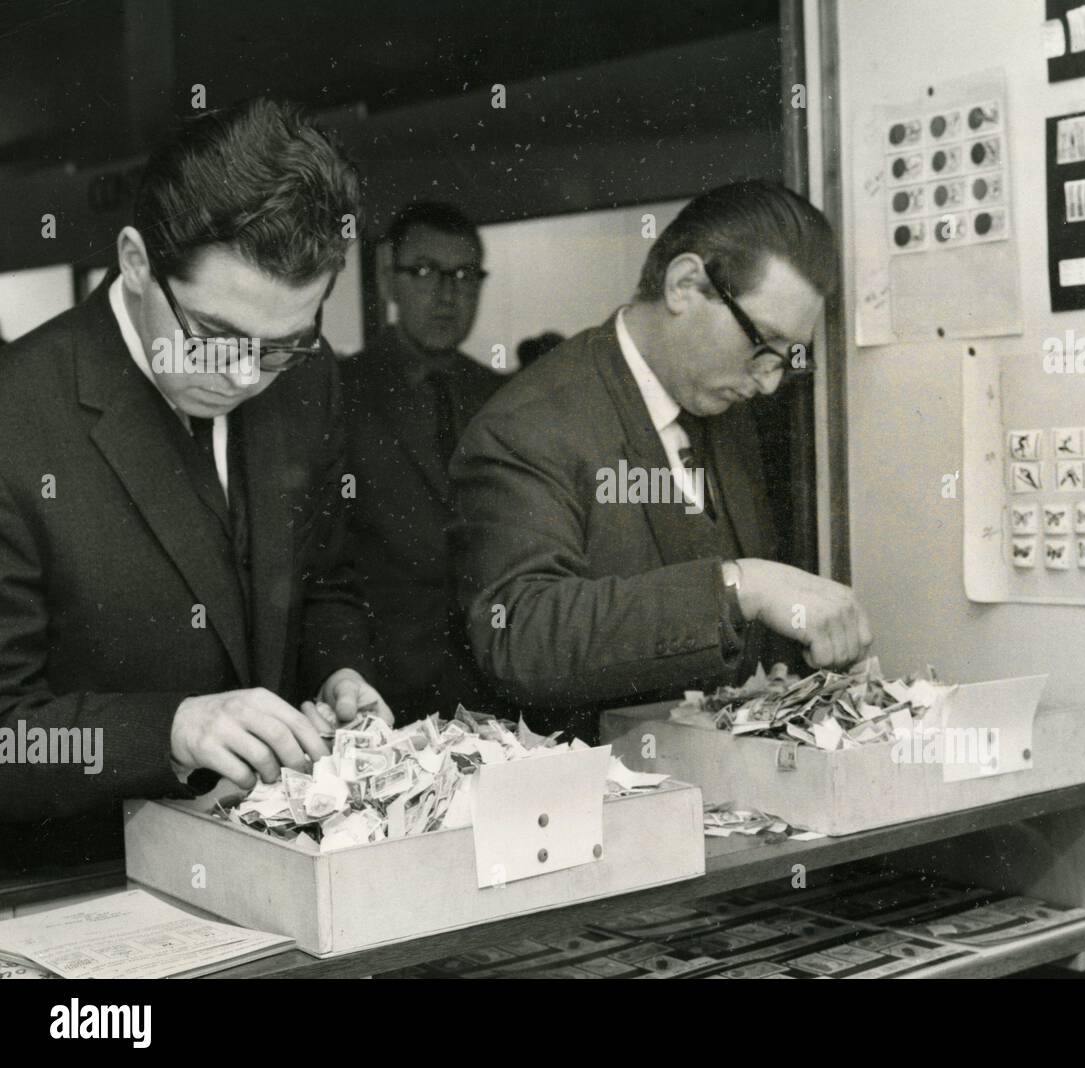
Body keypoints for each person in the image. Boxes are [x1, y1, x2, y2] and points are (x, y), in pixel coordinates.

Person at [0, 98, 389, 871]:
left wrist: (341, 678)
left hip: (282, 871)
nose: (246, 375)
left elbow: (324, 583)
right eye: (214, 338)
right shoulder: (18, 419)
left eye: (284, 343)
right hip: (80, 886)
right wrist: (173, 730)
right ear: (137, 261)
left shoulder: (308, 386)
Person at [452, 179, 871, 738]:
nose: (770, 382)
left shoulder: (728, 406)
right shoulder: (527, 426)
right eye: (761, 344)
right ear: (684, 284)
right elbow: (520, 635)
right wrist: (736, 587)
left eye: (786, 358)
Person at [341, 202, 509, 723]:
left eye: (462, 275)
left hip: (495, 683)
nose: (446, 294)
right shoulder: (340, 393)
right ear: (388, 283)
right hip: (381, 692)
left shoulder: (503, 395)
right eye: (423, 272)